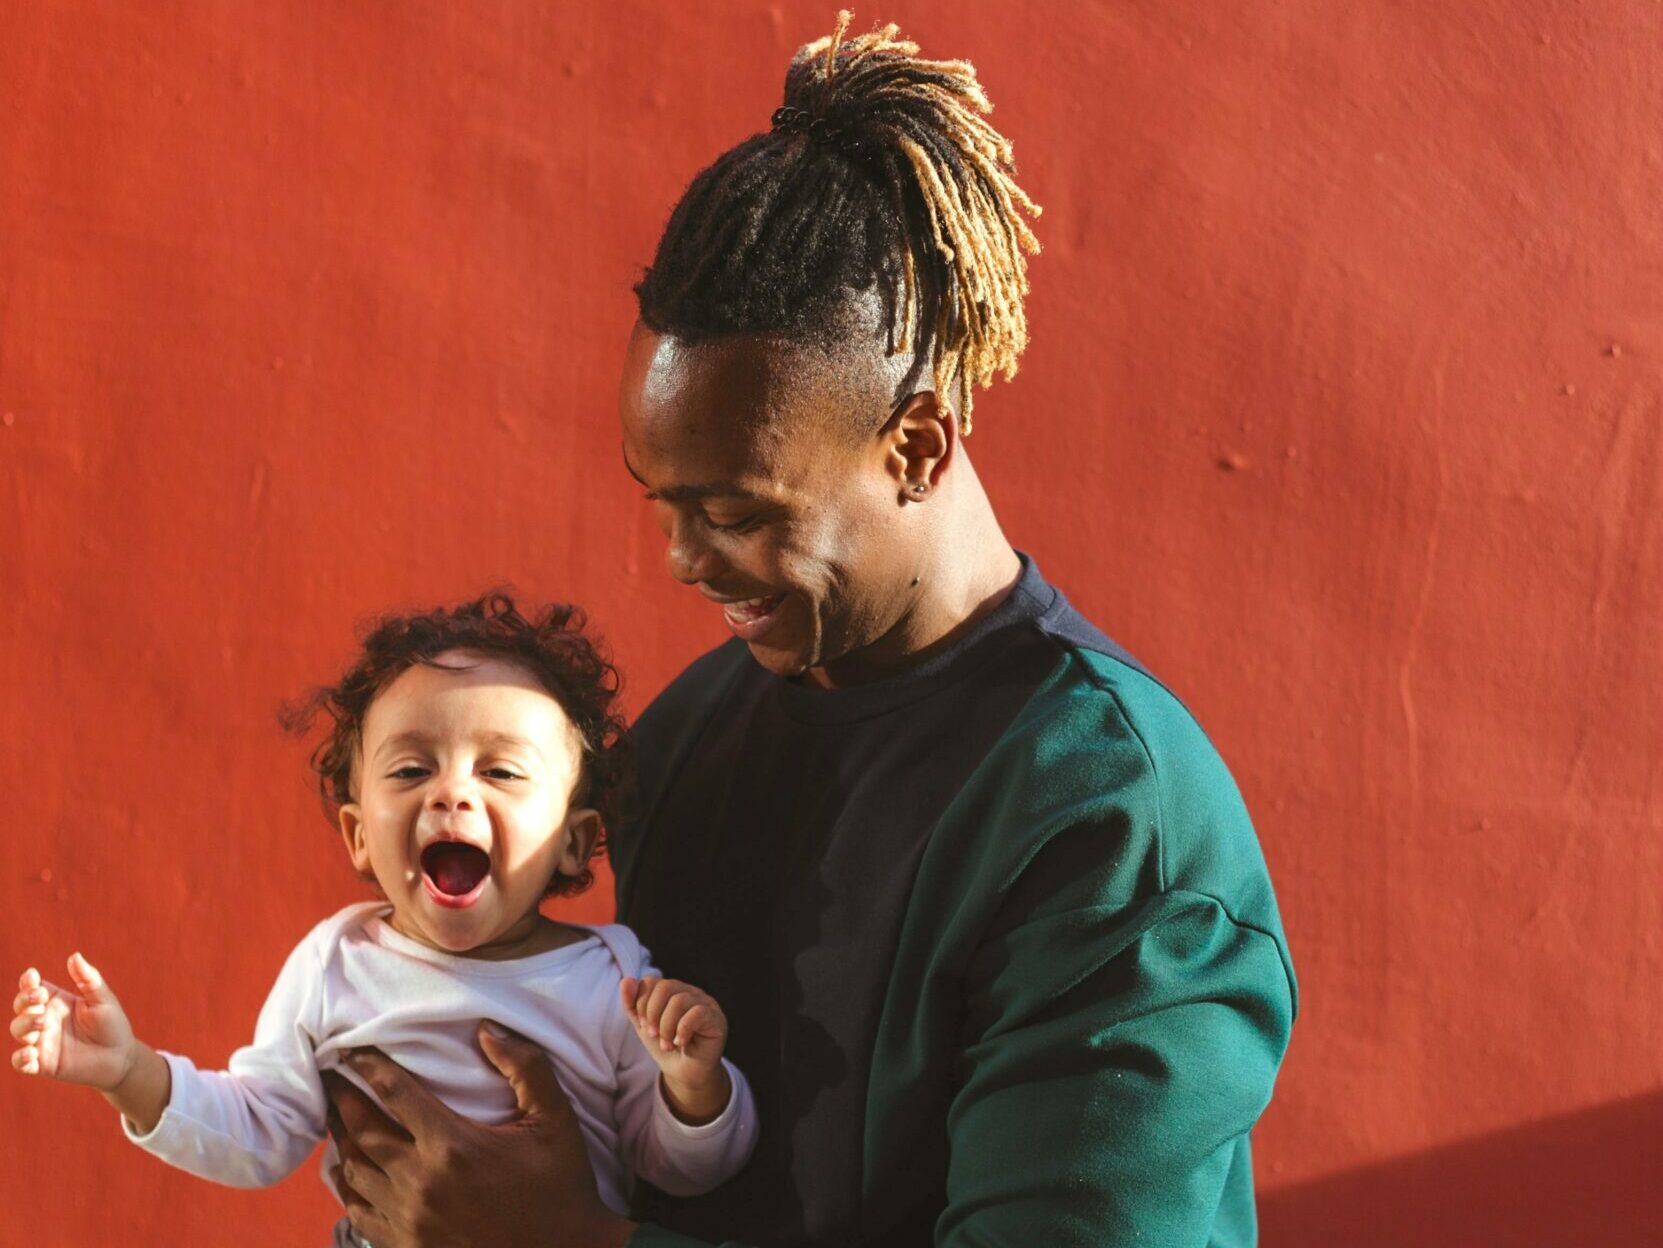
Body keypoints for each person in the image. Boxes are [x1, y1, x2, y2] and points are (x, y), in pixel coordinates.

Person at [321, 13, 1297, 1247]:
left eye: (736, 511)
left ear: (918, 446)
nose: (683, 561)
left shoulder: (1108, 823)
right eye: (663, 504)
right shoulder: (683, 739)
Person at [8, 595, 758, 1248]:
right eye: (409, 770)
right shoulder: (334, 962)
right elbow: (257, 1131)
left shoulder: (613, 979)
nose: (450, 794)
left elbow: (678, 1170)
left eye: (498, 771)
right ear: (359, 834)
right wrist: (129, 1072)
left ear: (574, 841)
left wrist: (693, 1088)